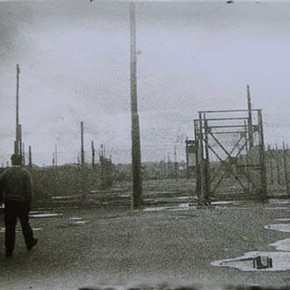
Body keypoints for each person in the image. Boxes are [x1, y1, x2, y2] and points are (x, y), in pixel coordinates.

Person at [0, 154, 37, 258]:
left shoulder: (5, 173)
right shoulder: (25, 173)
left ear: (11, 161)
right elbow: (29, 190)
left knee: (10, 226)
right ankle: (29, 243)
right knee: (25, 223)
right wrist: (29, 203)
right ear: (21, 161)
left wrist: (1, 201)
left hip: (9, 203)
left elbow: (0, 188)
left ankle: (9, 249)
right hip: (22, 202)